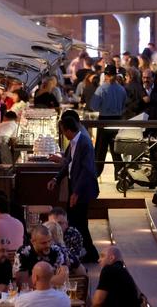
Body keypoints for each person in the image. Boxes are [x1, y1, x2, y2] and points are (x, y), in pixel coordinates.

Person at [47, 113, 99, 263]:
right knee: (76, 220)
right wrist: (56, 179)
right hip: (74, 185)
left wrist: (76, 192)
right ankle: (82, 251)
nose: (63, 134)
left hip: (82, 188)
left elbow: (87, 170)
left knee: (80, 222)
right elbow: (68, 164)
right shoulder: (73, 143)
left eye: (63, 131)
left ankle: (89, 252)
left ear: (69, 130)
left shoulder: (84, 143)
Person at [90, 64, 127, 177]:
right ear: (115, 75)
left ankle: (95, 174)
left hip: (104, 120)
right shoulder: (121, 89)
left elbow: (94, 106)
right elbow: (124, 105)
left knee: (100, 150)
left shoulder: (101, 89)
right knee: (116, 149)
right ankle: (120, 175)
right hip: (117, 120)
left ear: (105, 75)